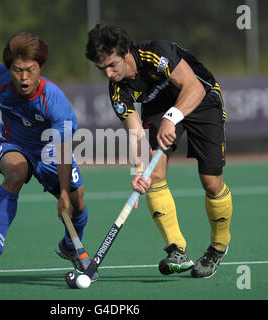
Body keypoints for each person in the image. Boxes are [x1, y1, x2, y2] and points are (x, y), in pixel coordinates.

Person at [85, 22, 233, 278]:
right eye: (102, 69)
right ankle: (177, 250)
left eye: (111, 65)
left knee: (211, 183)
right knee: (152, 175)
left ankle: (218, 247)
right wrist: (139, 170)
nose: (108, 74)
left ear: (125, 52)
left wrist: (171, 117)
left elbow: (193, 87)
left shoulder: (155, 53)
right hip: (159, 106)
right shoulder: (118, 91)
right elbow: (135, 134)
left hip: (202, 99)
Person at [0, 32, 97, 281]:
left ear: (40, 67)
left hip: (51, 149)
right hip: (14, 142)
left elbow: (64, 148)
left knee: (77, 204)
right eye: (17, 70)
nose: (23, 78)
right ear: (8, 67)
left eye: (30, 70)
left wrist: (64, 193)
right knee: (16, 172)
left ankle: (69, 245)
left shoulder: (55, 101)